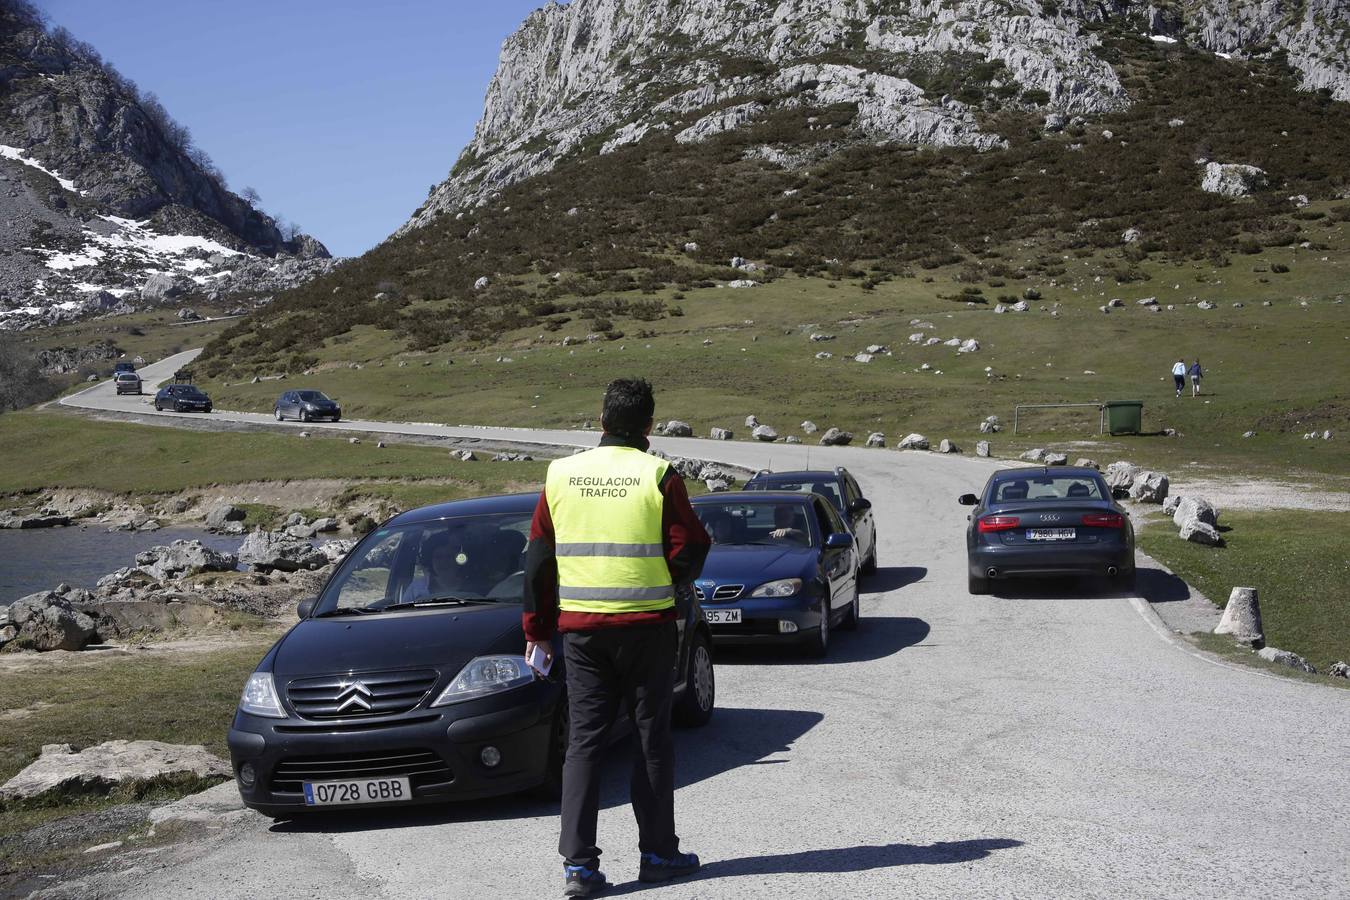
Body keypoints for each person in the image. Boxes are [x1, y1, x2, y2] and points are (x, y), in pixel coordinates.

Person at [524, 377, 710, 897]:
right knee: (651, 740)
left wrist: (535, 630)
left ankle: (579, 868)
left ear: (601, 421)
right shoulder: (657, 474)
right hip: (647, 626)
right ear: (649, 426)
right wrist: (670, 579)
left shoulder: (561, 474)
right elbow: (692, 543)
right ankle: (658, 854)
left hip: (581, 631)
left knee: (582, 745)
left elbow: (538, 558)